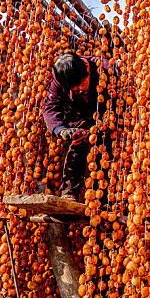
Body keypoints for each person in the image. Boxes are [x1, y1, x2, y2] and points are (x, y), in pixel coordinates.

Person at [42, 52, 111, 201]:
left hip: (106, 118)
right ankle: (69, 194)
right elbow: (50, 107)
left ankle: (105, 199)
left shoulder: (104, 69)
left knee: (105, 154)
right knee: (77, 148)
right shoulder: (60, 79)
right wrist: (61, 130)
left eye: (81, 83)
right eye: (75, 88)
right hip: (79, 120)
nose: (79, 89)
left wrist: (106, 122)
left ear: (86, 70)